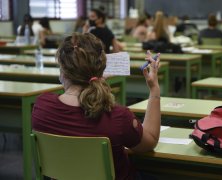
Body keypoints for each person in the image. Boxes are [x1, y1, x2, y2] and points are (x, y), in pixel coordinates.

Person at [31, 33, 161, 180]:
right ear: (101, 68)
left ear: (62, 71)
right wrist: (154, 89)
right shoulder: (117, 116)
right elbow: (150, 142)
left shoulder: (41, 107)